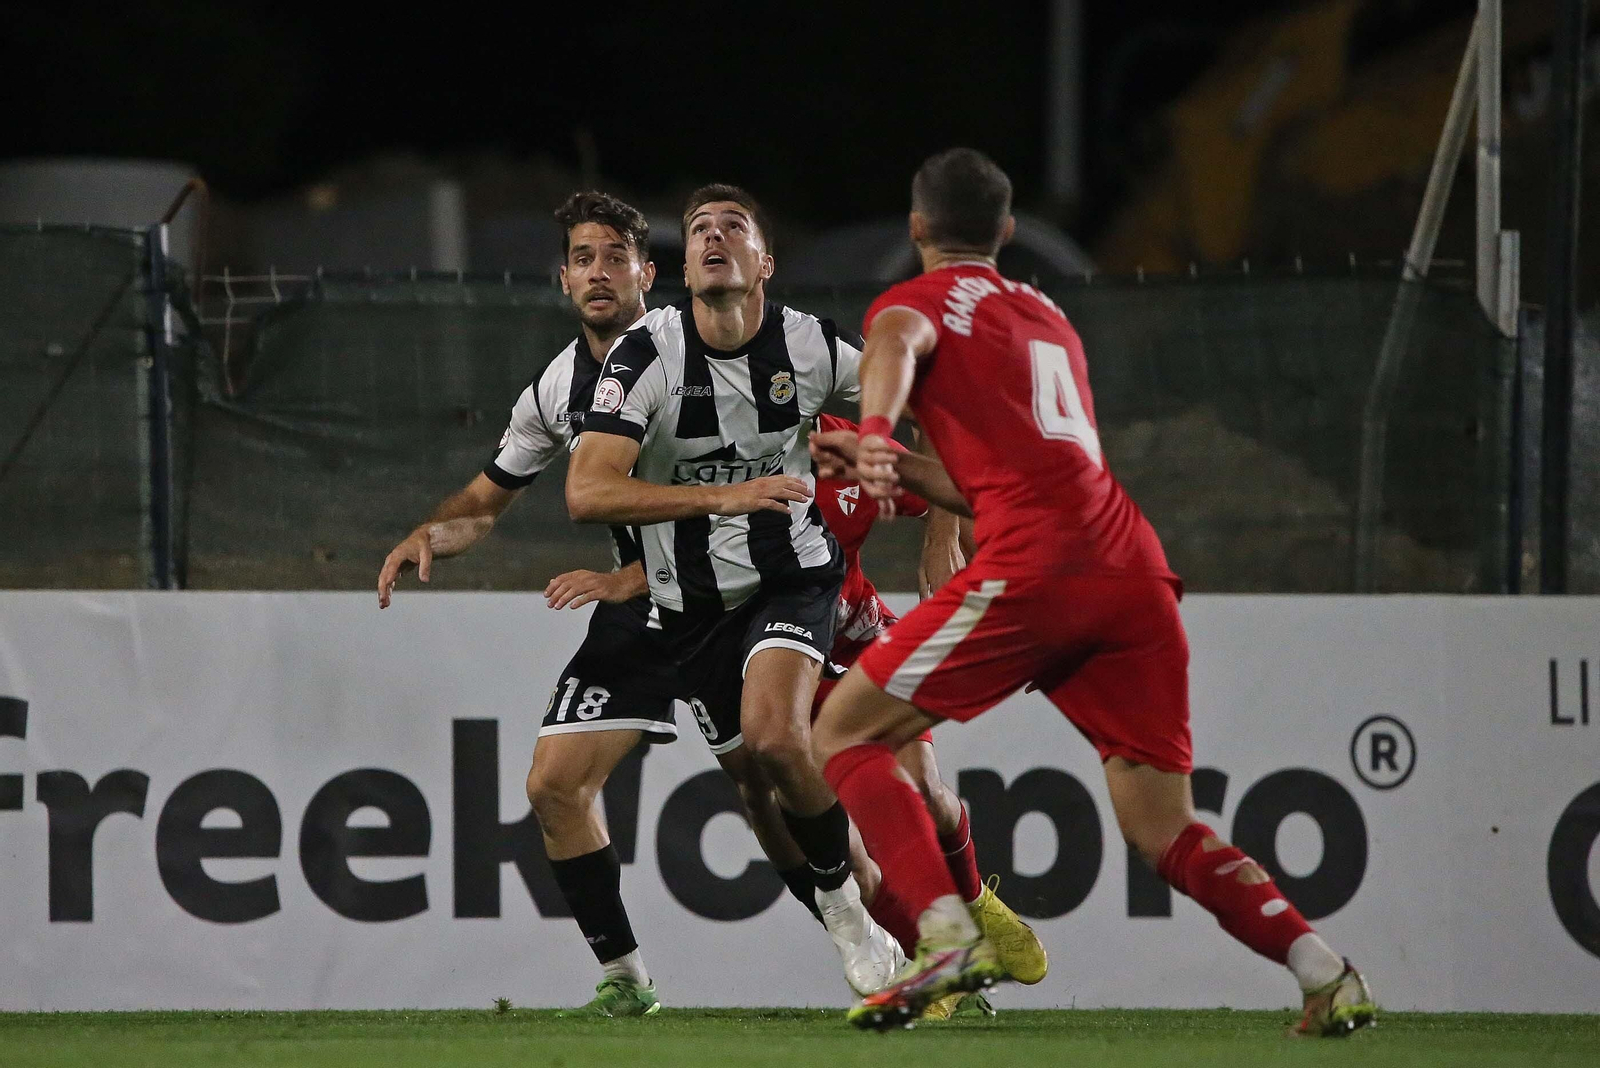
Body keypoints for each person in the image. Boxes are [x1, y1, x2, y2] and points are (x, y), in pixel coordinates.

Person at [807, 148, 1377, 1035]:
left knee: (841, 729)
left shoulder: (912, 303)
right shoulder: (1047, 316)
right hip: (1132, 573)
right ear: (1004, 231)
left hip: (1043, 569)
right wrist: (907, 465)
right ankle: (1325, 969)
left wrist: (875, 432)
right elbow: (1009, 478)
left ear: (916, 228)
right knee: (1166, 829)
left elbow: (897, 342)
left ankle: (946, 936)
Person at [565, 184, 907, 995]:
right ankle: (893, 930)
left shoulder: (811, 346)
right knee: (756, 785)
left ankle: (858, 918)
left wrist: (938, 520)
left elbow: (910, 406)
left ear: (764, 261)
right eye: (700, 231)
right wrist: (721, 497)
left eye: (734, 228)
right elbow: (587, 491)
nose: (715, 238)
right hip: (690, 609)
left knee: (778, 737)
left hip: (790, 577)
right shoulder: (644, 357)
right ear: (683, 265)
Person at [377, 192, 678, 1017]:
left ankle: (895, 953)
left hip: (734, 598)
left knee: (779, 794)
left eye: (615, 255)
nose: (599, 272)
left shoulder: (692, 353)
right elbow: (487, 498)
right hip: (641, 606)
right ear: (563, 279)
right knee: (554, 788)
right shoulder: (558, 385)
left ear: (648, 273)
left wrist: (633, 580)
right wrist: (429, 536)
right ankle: (626, 980)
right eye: (583, 258)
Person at [809, 414, 1046, 1020]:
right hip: (777, 668)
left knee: (924, 793)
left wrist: (945, 539)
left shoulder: (839, 443)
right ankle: (942, 966)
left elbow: (948, 467)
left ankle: (975, 904)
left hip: (853, 638)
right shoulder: (712, 455)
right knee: (847, 850)